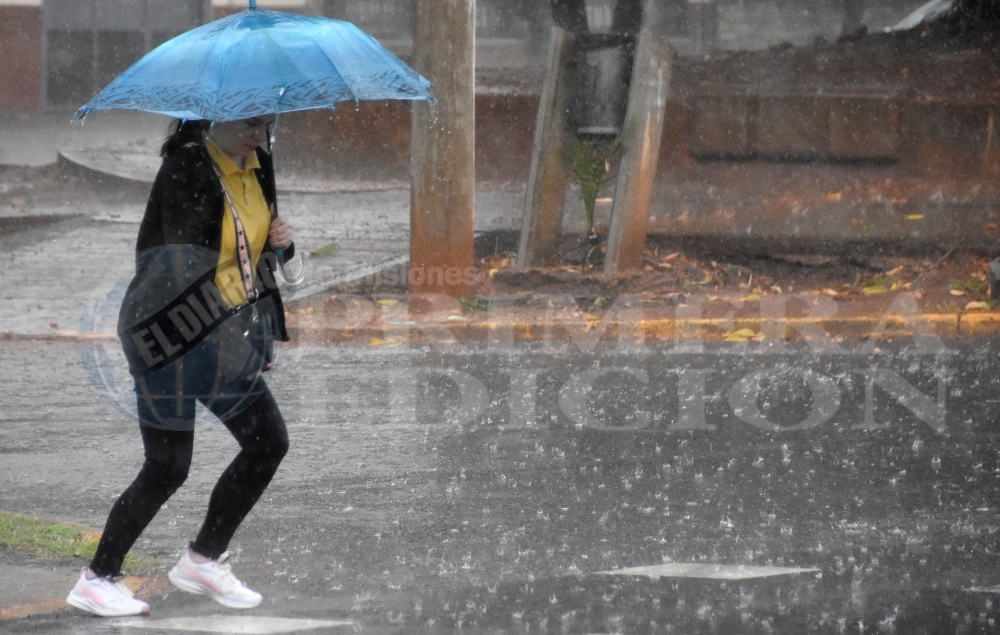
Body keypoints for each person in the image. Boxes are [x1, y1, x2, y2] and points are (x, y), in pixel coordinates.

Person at [66, 115, 295, 617]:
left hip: (221, 333)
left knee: (267, 443)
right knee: (168, 466)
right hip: (166, 329)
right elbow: (183, 262)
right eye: (252, 124)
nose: (261, 135)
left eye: (269, 125)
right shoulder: (188, 166)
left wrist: (282, 243)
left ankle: (203, 559)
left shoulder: (256, 167)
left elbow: (256, 259)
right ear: (221, 116)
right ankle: (97, 578)